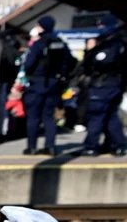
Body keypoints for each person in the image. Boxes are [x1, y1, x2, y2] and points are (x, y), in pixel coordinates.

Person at [22, 15, 73, 156]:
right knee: (49, 117)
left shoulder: (39, 44)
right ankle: (50, 147)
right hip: (54, 84)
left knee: (33, 117)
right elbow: (70, 62)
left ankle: (31, 147)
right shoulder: (61, 43)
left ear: (42, 27)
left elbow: (28, 65)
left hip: (37, 83)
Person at [78, 17, 126, 157]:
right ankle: (118, 145)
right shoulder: (117, 41)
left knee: (96, 116)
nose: (100, 28)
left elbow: (98, 62)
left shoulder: (112, 44)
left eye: (102, 26)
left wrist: (90, 51)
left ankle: (91, 146)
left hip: (103, 86)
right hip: (115, 85)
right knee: (111, 116)